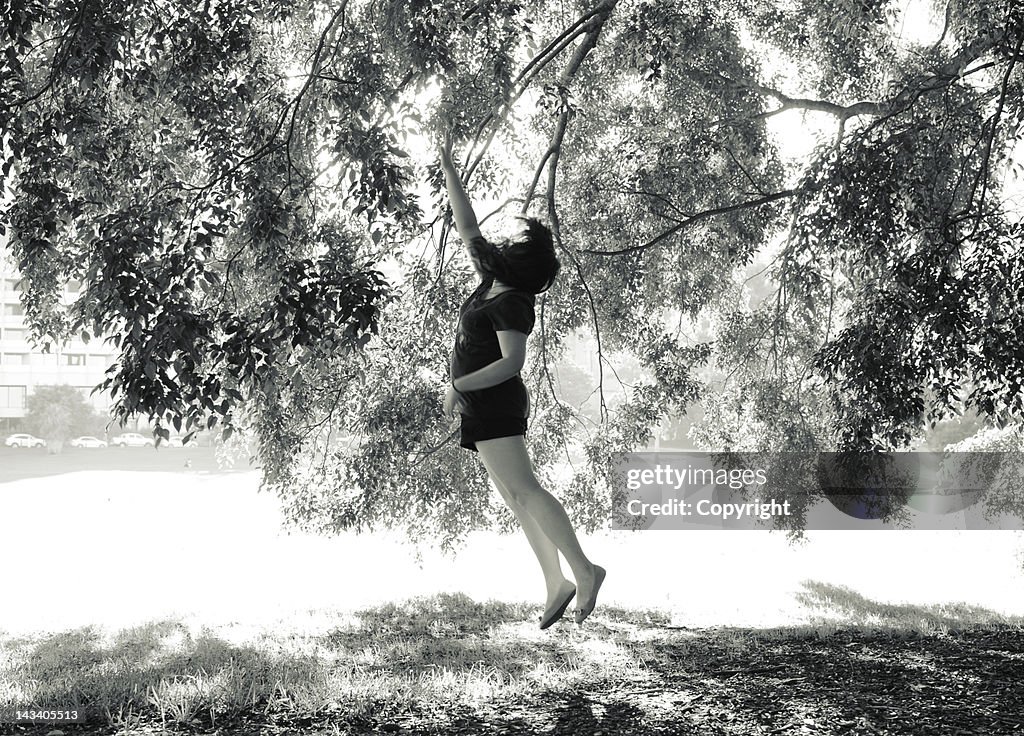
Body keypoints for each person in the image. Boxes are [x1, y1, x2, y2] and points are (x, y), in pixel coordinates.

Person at [438, 136, 606, 628]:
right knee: (516, 497)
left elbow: (513, 362)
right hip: (481, 405)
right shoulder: (491, 280)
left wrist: (460, 385)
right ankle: (557, 583)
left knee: (527, 491)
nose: (503, 246)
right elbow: (466, 224)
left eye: (514, 247)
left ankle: (585, 569)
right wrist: (450, 168)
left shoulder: (513, 302)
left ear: (522, 265)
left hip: (494, 402)